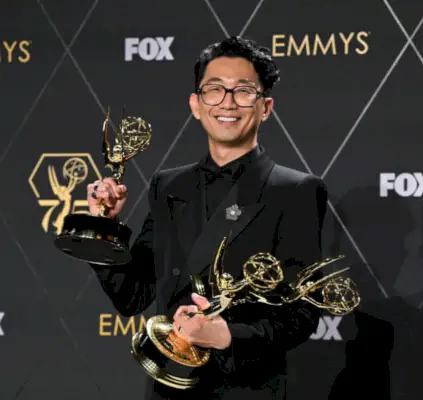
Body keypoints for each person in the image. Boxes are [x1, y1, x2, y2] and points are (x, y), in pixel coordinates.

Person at [87, 36, 329, 400]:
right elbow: (133, 295)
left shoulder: (295, 190)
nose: (227, 103)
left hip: (246, 390)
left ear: (266, 107)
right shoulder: (167, 184)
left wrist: (226, 335)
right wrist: (104, 229)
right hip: (168, 388)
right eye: (214, 90)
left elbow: (302, 314)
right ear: (196, 105)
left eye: (243, 91)